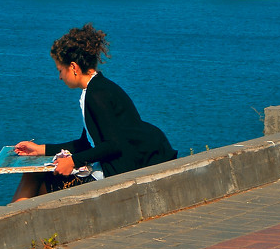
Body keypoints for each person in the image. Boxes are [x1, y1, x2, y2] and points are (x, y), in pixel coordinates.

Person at [12, 23, 177, 201]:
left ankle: (15, 225)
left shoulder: (97, 95)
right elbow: (87, 143)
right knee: (35, 177)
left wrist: (73, 161)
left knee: (36, 180)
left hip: (117, 174)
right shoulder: (96, 88)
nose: (59, 77)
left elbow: (113, 145)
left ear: (73, 67)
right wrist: (40, 149)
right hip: (116, 165)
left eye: (60, 70)